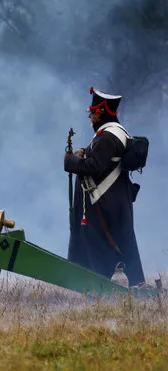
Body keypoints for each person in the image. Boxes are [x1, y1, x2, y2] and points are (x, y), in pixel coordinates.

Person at [64, 86, 146, 287]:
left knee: (108, 242)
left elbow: (94, 167)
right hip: (109, 200)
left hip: (106, 201)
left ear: (101, 112)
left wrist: (70, 161)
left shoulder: (109, 136)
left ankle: (104, 287)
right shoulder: (107, 134)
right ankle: (114, 284)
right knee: (112, 241)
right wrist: (84, 152)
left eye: (92, 113)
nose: (90, 116)